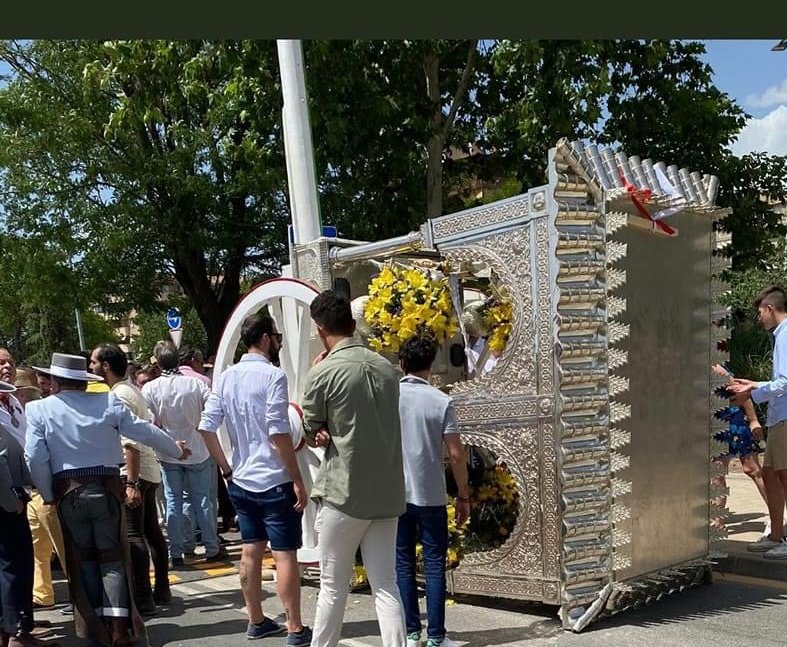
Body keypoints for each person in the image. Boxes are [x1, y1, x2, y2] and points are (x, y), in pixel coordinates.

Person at [25, 353, 191, 647]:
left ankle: (97, 625)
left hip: (68, 491)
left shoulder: (39, 410)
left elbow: (35, 457)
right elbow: (144, 430)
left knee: (84, 559)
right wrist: (176, 450)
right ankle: (117, 627)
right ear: (83, 382)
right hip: (106, 488)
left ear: (56, 381)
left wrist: (48, 494)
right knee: (112, 559)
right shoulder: (108, 402)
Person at [300, 290, 407, 647]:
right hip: (387, 492)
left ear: (320, 329)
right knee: (386, 584)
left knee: (332, 585)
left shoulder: (324, 371)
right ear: (352, 321)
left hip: (344, 491)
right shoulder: (386, 368)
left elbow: (310, 425)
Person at [198, 313, 311, 646]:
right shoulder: (274, 375)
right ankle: (294, 627)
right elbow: (278, 431)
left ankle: (256, 619)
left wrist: (226, 468)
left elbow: (206, 426)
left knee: (250, 550)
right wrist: (297, 477)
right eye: (276, 336)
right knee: (285, 554)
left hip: (242, 477)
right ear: (264, 338)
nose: (277, 342)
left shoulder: (227, 377)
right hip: (273, 477)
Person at [395, 336, 470, 647]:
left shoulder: (389, 397)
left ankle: (411, 633)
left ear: (401, 364)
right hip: (430, 493)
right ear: (430, 365)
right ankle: (436, 636)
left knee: (402, 562)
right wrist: (463, 494)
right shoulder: (441, 401)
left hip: (396, 493)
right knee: (435, 561)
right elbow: (455, 453)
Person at [89, 344, 171, 615]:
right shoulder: (129, 389)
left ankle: (143, 597)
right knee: (151, 532)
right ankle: (161, 589)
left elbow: (130, 443)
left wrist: (131, 483)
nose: (91, 368)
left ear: (106, 366)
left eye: (94, 363)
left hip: (134, 472)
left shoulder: (119, 395)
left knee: (135, 535)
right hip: (148, 469)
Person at [141, 341, 225, 566]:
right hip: (197, 447)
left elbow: (149, 422)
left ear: (157, 362)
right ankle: (211, 546)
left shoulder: (150, 388)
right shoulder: (195, 385)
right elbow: (215, 409)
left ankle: (177, 550)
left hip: (168, 450)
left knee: (173, 501)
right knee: (203, 500)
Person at [728, 286, 787, 560]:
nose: (759, 318)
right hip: (779, 416)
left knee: (782, 476)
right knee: (772, 475)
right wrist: (755, 387)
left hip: (784, 416)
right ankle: (777, 535)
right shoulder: (781, 335)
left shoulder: (786, 335)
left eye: (760, 312)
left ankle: (781, 537)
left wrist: (753, 391)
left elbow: (785, 382)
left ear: (770, 309)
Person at [0, 378, 49, 647]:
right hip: (7, 498)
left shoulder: (13, 405)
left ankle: (15, 626)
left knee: (13, 563)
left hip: (14, 492)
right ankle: (17, 631)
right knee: (13, 564)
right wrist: (11, 500)